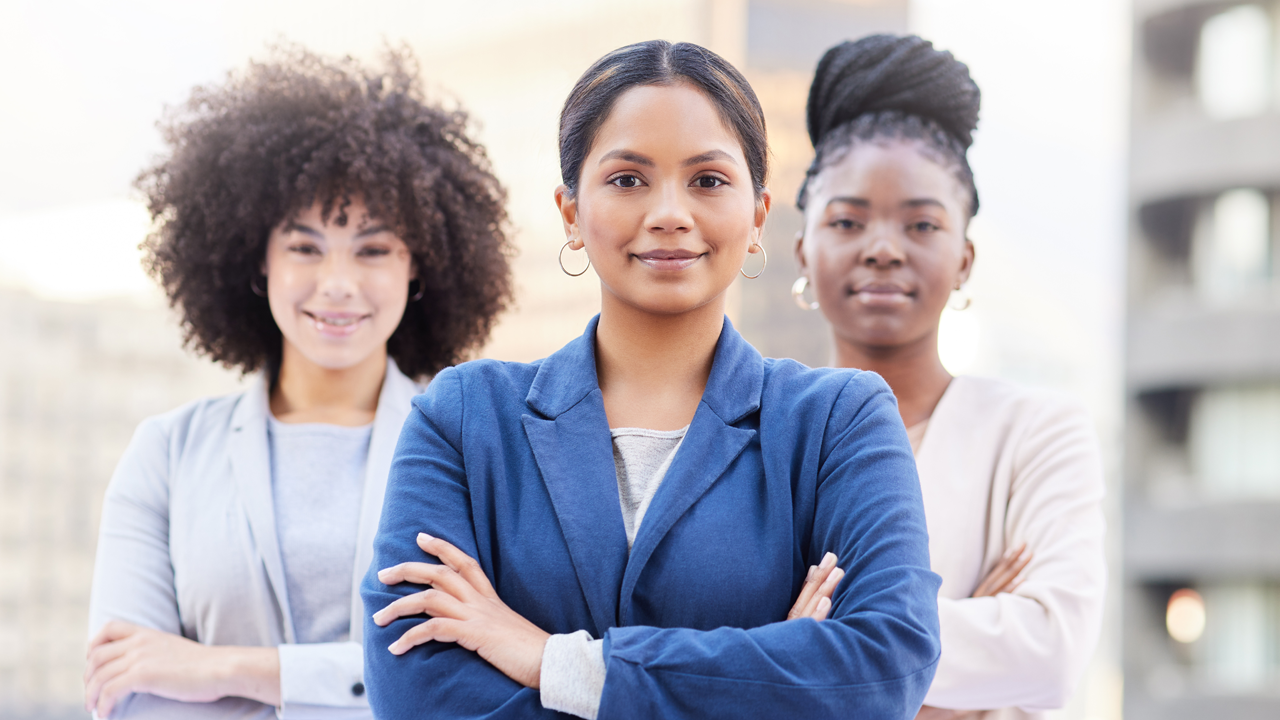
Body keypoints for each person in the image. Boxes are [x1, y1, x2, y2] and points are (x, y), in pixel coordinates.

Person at [361, 39, 941, 720]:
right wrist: (770, 679)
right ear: (571, 212)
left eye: (708, 181)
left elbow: (885, 664)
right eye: (628, 179)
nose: (669, 213)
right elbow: (415, 693)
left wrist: (551, 661)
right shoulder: (463, 420)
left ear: (758, 215)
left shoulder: (839, 422)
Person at [84, 46, 513, 719]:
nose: (337, 283)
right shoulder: (166, 455)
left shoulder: (476, 451)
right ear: (258, 260)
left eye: (373, 249)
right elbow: (126, 687)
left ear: (419, 266)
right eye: (304, 247)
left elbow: (478, 682)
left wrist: (228, 669)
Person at [792, 35, 1107, 720]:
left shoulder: (1035, 434)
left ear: (964, 258)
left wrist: (811, 646)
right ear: (803, 250)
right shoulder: (758, 433)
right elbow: (715, 660)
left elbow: (1050, 654)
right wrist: (962, 653)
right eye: (847, 220)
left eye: (922, 224)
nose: (883, 248)